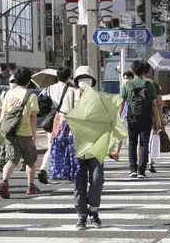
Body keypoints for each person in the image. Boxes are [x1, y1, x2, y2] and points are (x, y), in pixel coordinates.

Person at [62, 65, 104, 230]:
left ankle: (93, 210)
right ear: (76, 81)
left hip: (95, 144)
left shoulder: (98, 97)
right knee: (79, 183)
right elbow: (65, 116)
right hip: (76, 144)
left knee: (97, 179)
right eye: (80, 78)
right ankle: (81, 217)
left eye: (86, 78)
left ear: (92, 81)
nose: (83, 81)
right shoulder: (71, 96)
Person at [0, 67, 40, 198]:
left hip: (10, 132)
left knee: (11, 160)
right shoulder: (31, 95)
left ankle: (4, 180)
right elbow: (33, 116)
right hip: (25, 132)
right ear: (29, 80)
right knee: (30, 161)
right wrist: (34, 135)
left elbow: (4, 113)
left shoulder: (8, 94)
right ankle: (30, 186)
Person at [119, 61, 160, 179]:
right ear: (144, 72)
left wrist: (118, 117)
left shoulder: (127, 85)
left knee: (132, 143)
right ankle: (141, 171)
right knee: (143, 144)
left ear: (133, 72)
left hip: (131, 118)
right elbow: (154, 105)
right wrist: (157, 121)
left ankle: (132, 169)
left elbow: (121, 103)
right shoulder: (149, 85)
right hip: (146, 118)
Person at [38, 67, 73, 184]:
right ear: (69, 76)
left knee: (51, 145)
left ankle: (43, 168)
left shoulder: (49, 89)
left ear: (57, 77)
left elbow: (41, 100)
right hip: (68, 119)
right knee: (69, 145)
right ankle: (67, 171)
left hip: (54, 119)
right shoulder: (71, 90)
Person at [143, 62, 164, 173]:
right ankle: (150, 161)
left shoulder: (132, 83)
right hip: (151, 115)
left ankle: (140, 162)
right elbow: (159, 103)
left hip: (137, 116)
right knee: (153, 138)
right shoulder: (153, 84)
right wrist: (160, 119)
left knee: (139, 141)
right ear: (149, 72)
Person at [109, 71, 134, 161]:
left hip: (128, 116)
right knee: (120, 134)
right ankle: (115, 152)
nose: (126, 80)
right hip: (124, 115)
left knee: (123, 135)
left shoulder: (129, 88)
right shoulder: (125, 88)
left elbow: (122, 102)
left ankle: (115, 152)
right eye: (124, 78)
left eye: (127, 78)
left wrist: (118, 116)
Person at [0, 75, 19, 172]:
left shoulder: (11, 93)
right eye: (12, 81)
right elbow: (0, 107)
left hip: (9, 121)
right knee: (13, 142)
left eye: (14, 81)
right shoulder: (7, 93)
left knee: (10, 142)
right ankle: (3, 162)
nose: (13, 83)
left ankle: (2, 162)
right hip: (10, 121)